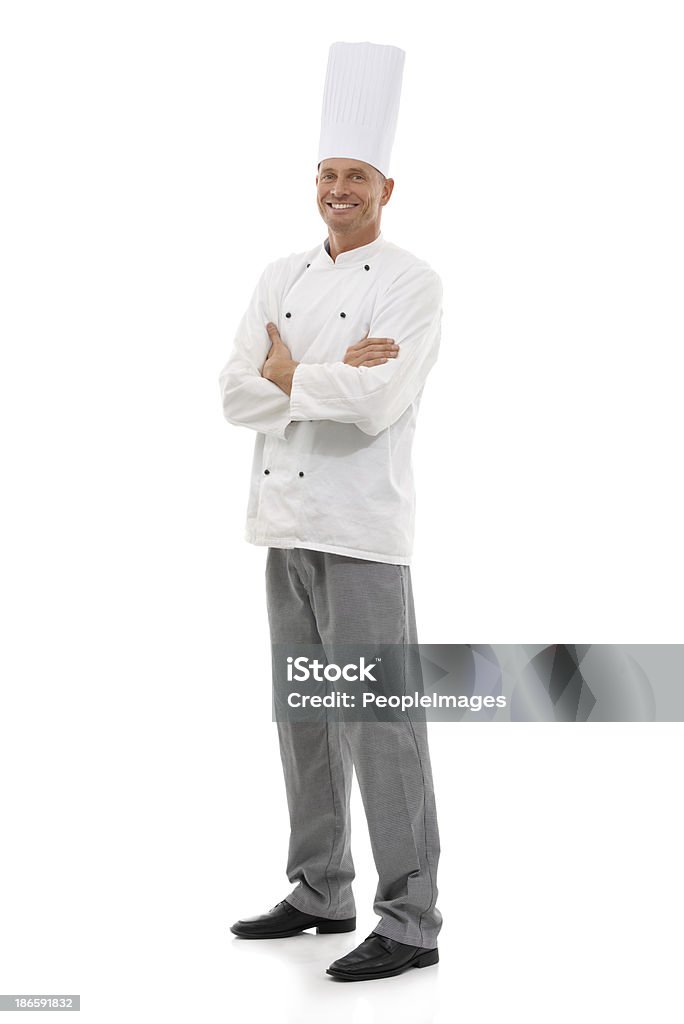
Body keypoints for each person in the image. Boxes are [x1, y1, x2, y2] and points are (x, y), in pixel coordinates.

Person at [219, 41, 443, 982]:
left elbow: (378, 401)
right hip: (284, 532)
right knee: (303, 718)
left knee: (378, 721)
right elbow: (235, 394)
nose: (338, 189)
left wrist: (288, 375)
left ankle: (412, 918)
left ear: (386, 187)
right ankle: (321, 888)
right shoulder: (281, 274)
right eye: (326, 175)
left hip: (360, 534)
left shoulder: (411, 282)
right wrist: (310, 379)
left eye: (355, 176)